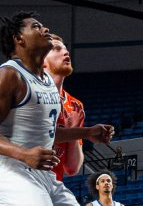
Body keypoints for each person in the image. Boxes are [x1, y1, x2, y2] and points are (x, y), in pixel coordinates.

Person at [0, 11, 115, 205]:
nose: (45, 29)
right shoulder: (9, 75)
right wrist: (24, 154)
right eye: (36, 26)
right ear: (19, 39)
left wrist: (86, 132)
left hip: (45, 174)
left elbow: (49, 133)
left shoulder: (46, 82)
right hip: (11, 171)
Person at [43, 34, 85, 181]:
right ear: (42, 61)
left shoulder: (75, 106)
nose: (66, 52)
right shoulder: (26, 93)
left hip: (53, 185)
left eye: (66, 49)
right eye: (57, 49)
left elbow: (72, 168)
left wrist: (74, 131)